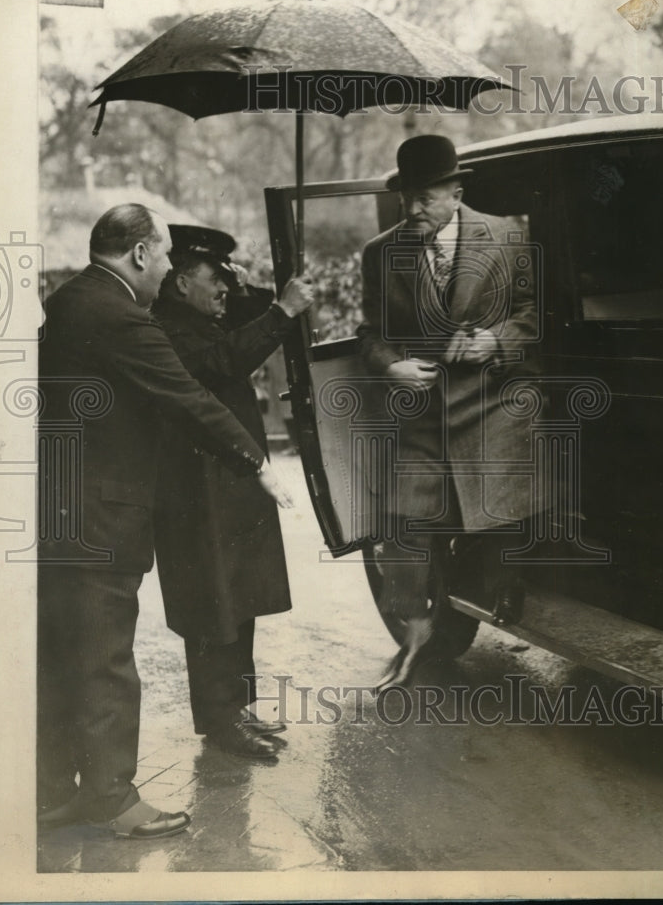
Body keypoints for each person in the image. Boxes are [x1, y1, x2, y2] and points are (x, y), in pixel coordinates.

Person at [37, 204, 292, 839]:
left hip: (64, 504)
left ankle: (52, 794)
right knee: (105, 660)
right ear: (143, 254)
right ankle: (113, 802)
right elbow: (187, 397)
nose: (169, 271)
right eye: (165, 256)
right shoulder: (124, 316)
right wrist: (256, 462)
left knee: (63, 656)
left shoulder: (72, 298)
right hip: (103, 512)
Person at [356, 135, 539, 692]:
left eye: (425, 198)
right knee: (409, 533)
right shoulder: (380, 252)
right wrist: (392, 368)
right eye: (406, 197)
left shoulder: (508, 238)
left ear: (456, 191)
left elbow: (533, 315)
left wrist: (497, 343)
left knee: (497, 519)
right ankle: (415, 644)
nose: (412, 210)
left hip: (492, 409)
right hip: (423, 415)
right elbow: (371, 334)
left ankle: (505, 588)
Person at [151, 227, 313, 759]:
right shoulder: (168, 328)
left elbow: (249, 319)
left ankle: (238, 708)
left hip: (227, 484)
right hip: (196, 493)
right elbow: (224, 360)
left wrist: (245, 292)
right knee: (211, 605)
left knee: (238, 597)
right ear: (179, 282)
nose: (224, 286)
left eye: (227, 274)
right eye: (214, 276)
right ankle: (220, 722)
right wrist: (281, 313)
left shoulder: (200, 318)